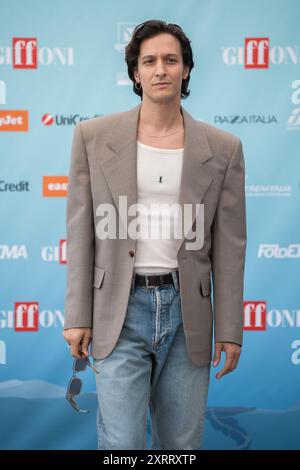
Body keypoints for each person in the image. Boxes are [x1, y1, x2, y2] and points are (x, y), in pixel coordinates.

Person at [62, 19, 247, 450]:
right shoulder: (92, 137)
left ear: (185, 71)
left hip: (189, 314)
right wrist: (77, 316)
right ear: (135, 73)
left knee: (180, 443)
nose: (160, 69)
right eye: (149, 61)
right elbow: (80, 231)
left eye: (170, 60)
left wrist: (232, 327)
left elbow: (230, 247)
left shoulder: (224, 148)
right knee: (123, 443)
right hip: (118, 312)